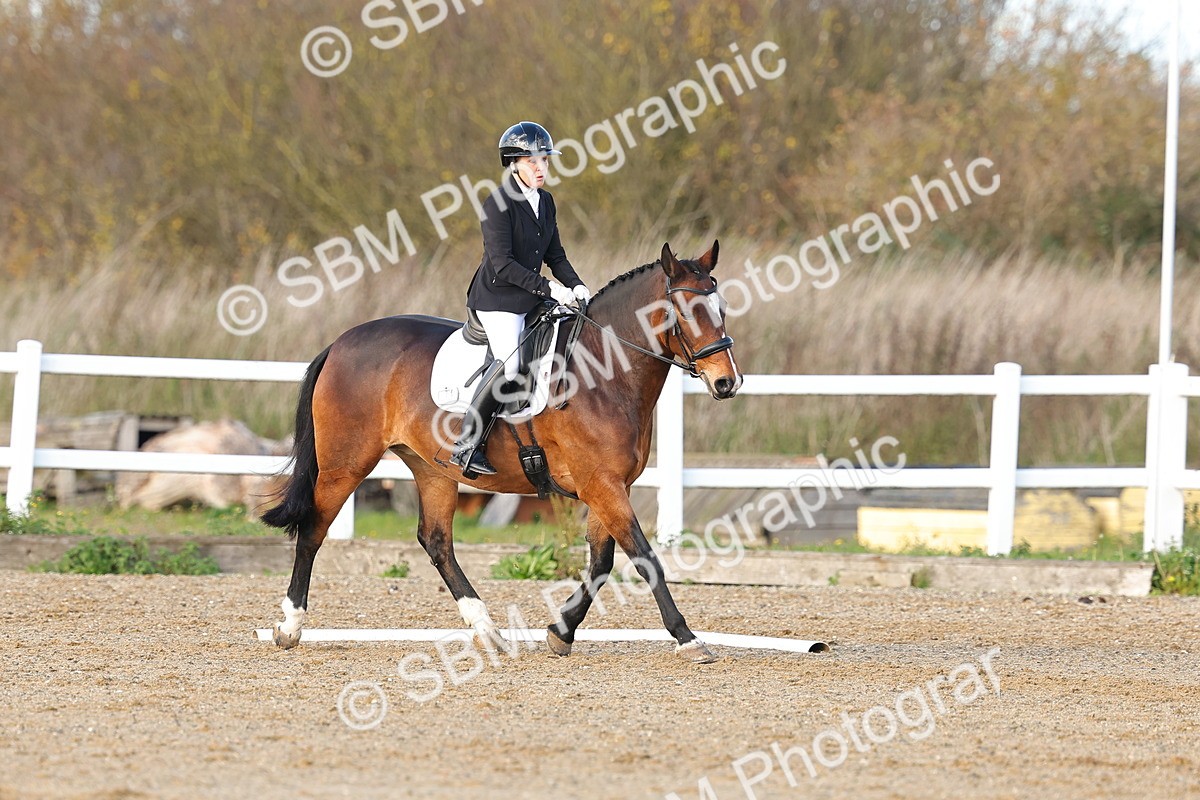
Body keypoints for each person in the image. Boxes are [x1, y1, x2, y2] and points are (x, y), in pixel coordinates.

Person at [450, 121, 590, 477]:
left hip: (531, 295)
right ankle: (467, 443)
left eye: (545, 160)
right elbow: (502, 263)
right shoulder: (497, 203)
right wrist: (549, 289)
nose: (541, 168)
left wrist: (575, 285)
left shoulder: (546, 201)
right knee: (510, 365)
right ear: (514, 163)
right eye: (533, 161)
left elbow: (555, 255)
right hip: (498, 298)